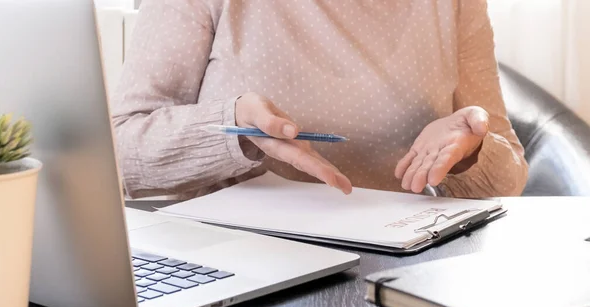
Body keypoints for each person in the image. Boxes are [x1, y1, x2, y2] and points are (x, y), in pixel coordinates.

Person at [111, 0, 528, 200]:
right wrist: (232, 128)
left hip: (397, 274)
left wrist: (470, 151)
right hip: (236, 272)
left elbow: (510, 177)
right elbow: (119, 155)